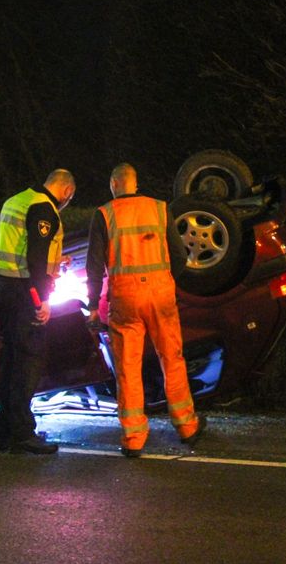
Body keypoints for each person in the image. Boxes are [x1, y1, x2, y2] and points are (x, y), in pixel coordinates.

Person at [86, 162, 205, 457]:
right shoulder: (160, 208)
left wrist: (92, 305)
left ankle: (133, 437)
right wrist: (168, 281)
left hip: (126, 298)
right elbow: (179, 254)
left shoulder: (105, 214)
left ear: (114, 185)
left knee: (128, 367)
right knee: (172, 358)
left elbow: (93, 266)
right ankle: (187, 425)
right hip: (160, 294)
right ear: (135, 184)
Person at [0, 168, 76, 454]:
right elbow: (36, 258)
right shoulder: (44, 209)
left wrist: (57, 259)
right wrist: (43, 299)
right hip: (23, 292)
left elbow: (24, 246)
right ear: (66, 191)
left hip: (2, 286)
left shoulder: (17, 200)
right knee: (29, 360)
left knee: (10, 358)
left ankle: (3, 432)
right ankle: (22, 433)